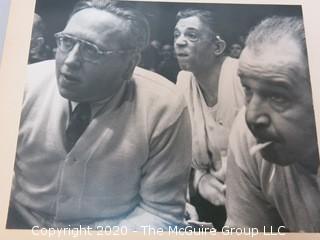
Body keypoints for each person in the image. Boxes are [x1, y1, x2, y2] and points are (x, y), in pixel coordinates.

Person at [7, 0, 191, 230]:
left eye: (90, 50)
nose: (70, 61)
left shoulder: (164, 106)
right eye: (67, 42)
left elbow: (160, 212)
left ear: (129, 65)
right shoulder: (20, 84)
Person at [225, 16, 320, 232]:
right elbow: (245, 231)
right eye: (247, 89)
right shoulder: (246, 133)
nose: (252, 116)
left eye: (278, 97)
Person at [174, 9, 245, 229]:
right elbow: (182, 150)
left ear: (217, 47)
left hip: (261, 200)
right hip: (213, 200)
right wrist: (200, 179)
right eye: (176, 34)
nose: (180, 42)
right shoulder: (184, 80)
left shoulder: (241, 78)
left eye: (191, 35)